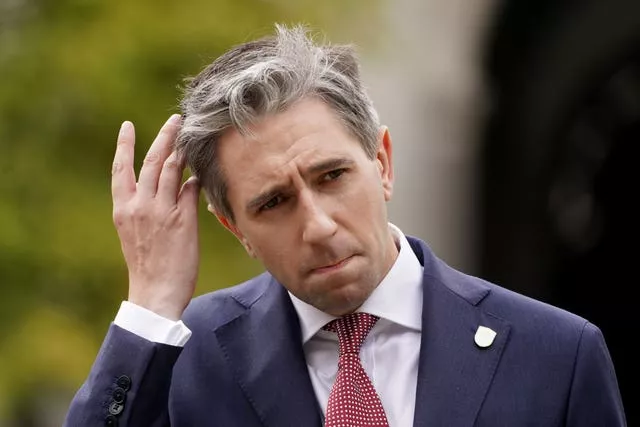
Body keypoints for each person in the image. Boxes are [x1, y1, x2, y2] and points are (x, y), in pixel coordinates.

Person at [64, 24, 626, 426]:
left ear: (381, 162)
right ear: (234, 228)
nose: (318, 224)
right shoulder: (187, 357)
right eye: (273, 202)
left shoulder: (557, 356)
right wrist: (151, 303)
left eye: (332, 175)